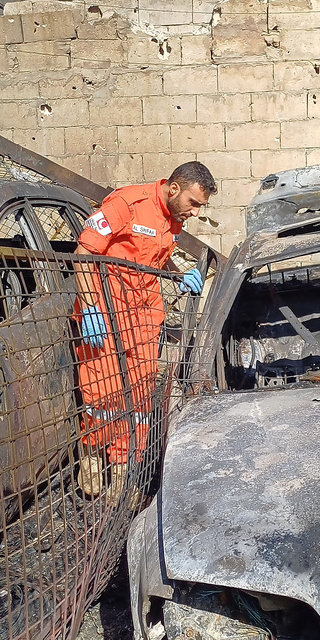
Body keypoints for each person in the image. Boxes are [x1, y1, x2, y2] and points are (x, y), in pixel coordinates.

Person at [73, 161, 216, 503]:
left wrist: (179, 274)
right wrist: (92, 308)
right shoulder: (127, 203)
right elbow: (83, 253)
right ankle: (93, 455)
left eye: (201, 206)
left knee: (137, 395)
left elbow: (152, 258)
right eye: (194, 203)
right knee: (102, 391)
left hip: (143, 315)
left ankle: (122, 470)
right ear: (173, 189)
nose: (195, 212)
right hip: (107, 310)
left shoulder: (173, 220)